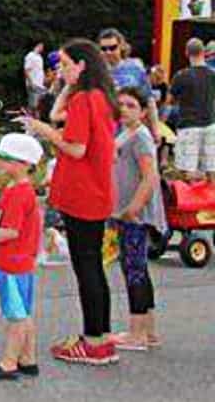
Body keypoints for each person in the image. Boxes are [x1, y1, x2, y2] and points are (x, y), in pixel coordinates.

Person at [22, 39, 118, 366]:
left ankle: (94, 341)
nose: (59, 70)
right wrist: (65, 84)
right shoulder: (98, 97)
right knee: (92, 267)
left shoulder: (86, 100)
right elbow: (56, 112)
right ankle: (100, 337)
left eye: (65, 64)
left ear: (82, 65)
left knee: (87, 267)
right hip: (95, 190)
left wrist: (43, 131)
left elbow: (75, 147)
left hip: (84, 193)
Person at [0, 133, 44, 381]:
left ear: (24, 164)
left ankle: (9, 362)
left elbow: (10, 230)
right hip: (20, 261)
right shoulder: (18, 190)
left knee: (16, 316)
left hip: (11, 262)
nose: (0, 162)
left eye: (6, 158)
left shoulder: (18, 194)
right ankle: (28, 357)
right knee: (23, 311)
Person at [110, 86, 166, 352]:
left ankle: (137, 334)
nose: (124, 108)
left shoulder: (140, 137)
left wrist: (133, 209)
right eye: (121, 104)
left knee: (134, 271)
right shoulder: (126, 133)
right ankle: (148, 330)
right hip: (126, 211)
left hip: (135, 215)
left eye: (131, 105)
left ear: (143, 112)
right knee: (138, 269)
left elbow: (150, 176)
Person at [98, 29, 159, 137]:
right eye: (104, 49)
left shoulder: (135, 68)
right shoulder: (96, 71)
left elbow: (149, 99)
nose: (108, 52)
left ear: (121, 46)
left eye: (112, 48)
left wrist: (155, 129)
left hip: (132, 129)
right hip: (105, 128)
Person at [170, 37, 215, 184]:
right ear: (204, 52)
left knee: (186, 171)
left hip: (188, 126)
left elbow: (170, 100)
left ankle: (190, 203)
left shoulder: (181, 76)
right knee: (211, 169)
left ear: (186, 53)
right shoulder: (213, 75)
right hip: (210, 124)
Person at [24, 41, 46, 110]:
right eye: (41, 46)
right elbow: (26, 70)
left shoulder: (39, 57)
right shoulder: (30, 56)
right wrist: (31, 83)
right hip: (34, 83)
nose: (42, 48)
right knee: (34, 105)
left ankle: (36, 119)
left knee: (39, 105)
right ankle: (29, 118)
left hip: (40, 84)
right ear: (37, 45)